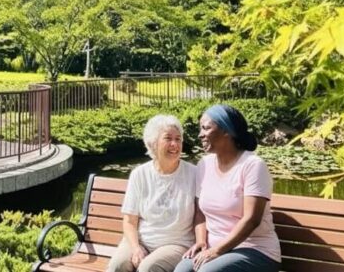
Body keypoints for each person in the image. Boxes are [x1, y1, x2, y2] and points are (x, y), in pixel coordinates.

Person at [175, 104, 281, 272]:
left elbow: (251, 219)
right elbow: (200, 213)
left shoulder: (252, 165)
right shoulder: (204, 164)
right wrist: (201, 241)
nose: (200, 134)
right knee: (182, 270)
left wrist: (217, 251)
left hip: (255, 249)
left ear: (226, 131)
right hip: (213, 248)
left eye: (206, 128)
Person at [107, 115, 199, 272]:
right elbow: (130, 221)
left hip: (176, 244)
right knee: (118, 265)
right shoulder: (139, 174)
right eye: (168, 138)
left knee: (148, 268)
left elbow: (202, 215)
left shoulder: (194, 174)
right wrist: (136, 247)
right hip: (141, 241)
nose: (174, 144)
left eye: (178, 139)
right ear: (153, 143)